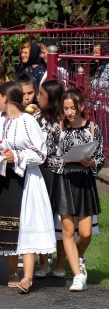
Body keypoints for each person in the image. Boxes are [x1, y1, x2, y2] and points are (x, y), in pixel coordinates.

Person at [0, 81, 55, 294]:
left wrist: (16, 156)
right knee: (6, 229)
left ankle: (27, 276)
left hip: (24, 179)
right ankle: (12, 272)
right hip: (0, 178)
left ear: (5, 98)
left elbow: (40, 153)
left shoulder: (28, 121)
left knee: (25, 225)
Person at [54, 89, 104, 291]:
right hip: (65, 179)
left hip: (84, 181)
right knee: (67, 231)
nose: (69, 112)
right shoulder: (58, 128)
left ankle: (77, 257)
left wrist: (92, 162)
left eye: (72, 108)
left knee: (85, 233)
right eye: (65, 108)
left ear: (81, 106)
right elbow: (50, 158)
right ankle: (77, 275)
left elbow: (100, 157)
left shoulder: (93, 128)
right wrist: (70, 159)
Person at [32, 80, 66, 278]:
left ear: (51, 97)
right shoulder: (37, 117)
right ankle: (43, 262)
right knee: (43, 216)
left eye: (41, 93)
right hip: (43, 171)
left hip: (63, 173)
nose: (37, 96)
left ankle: (60, 264)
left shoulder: (64, 118)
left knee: (62, 219)